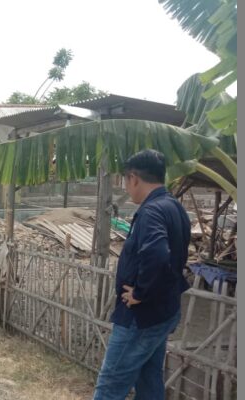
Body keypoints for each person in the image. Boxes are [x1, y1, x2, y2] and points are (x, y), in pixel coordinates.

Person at [93, 150, 190, 400]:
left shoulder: (152, 211)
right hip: (163, 310)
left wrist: (141, 292)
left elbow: (157, 253)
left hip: (141, 316)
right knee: (148, 378)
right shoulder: (174, 207)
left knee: (110, 384)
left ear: (133, 178)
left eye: (126, 180)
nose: (127, 186)